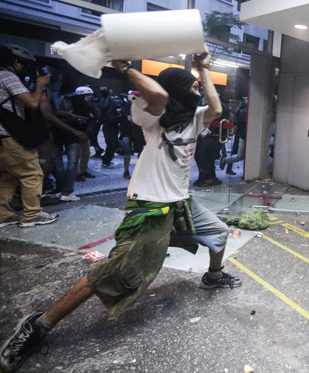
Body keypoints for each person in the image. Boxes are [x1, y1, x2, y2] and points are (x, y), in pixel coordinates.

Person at [0, 52, 242, 371]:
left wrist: (203, 69)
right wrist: (125, 68)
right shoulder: (154, 115)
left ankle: (212, 275)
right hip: (150, 206)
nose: (198, 89)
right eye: (193, 86)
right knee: (113, 271)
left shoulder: (194, 119)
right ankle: (38, 325)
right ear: (177, 93)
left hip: (180, 202)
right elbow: (157, 93)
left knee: (219, 233)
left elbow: (217, 108)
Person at [0, 44, 58, 228]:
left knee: (8, 175)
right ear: (15, 62)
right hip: (9, 134)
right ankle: (32, 215)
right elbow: (32, 103)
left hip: (0, 137)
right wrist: (40, 85)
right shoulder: (7, 76)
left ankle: (3, 214)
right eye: (23, 64)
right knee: (32, 173)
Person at [40, 77, 88, 201]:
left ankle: (62, 189)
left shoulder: (53, 97)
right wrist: (76, 129)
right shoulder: (46, 95)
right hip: (71, 135)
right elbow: (49, 115)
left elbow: (54, 113)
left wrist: (69, 116)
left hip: (56, 133)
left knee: (57, 162)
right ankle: (66, 192)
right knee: (71, 163)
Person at [71, 86, 99, 181]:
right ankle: (76, 174)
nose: (90, 97)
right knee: (76, 155)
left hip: (86, 133)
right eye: (88, 95)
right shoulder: (74, 106)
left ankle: (83, 170)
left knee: (86, 153)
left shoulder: (89, 105)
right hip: (77, 133)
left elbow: (98, 115)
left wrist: (94, 106)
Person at [219, 97, 247, 176]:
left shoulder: (241, 111)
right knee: (237, 154)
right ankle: (226, 162)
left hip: (240, 134)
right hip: (241, 135)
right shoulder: (243, 112)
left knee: (236, 153)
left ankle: (228, 167)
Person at [99, 87, 124, 168]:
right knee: (111, 144)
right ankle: (106, 160)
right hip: (108, 125)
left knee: (113, 144)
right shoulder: (105, 101)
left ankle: (107, 159)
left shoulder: (106, 100)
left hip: (113, 125)